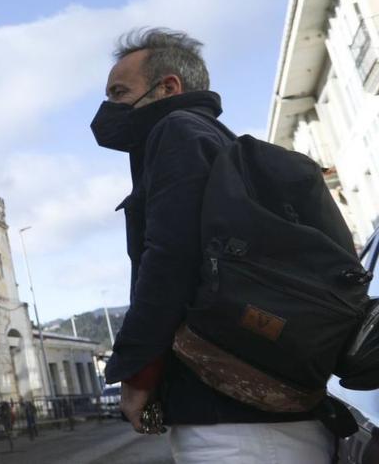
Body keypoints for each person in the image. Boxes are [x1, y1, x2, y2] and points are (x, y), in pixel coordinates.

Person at [92, 28, 334, 462]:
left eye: (118, 92)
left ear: (167, 87)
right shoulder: (214, 141)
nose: (108, 108)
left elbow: (169, 261)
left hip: (232, 426)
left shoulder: (175, 132)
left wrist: (138, 375)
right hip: (265, 407)